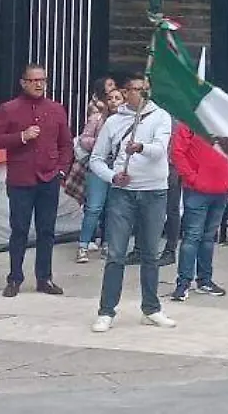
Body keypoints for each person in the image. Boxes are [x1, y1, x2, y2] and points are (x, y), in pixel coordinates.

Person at [88, 74, 176, 332]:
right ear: (126, 93)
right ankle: (106, 311)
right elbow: (96, 159)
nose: (143, 94)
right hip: (123, 193)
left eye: (146, 89)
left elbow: (159, 149)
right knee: (116, 253)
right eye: (137, 89)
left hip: (154, 191)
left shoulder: (160, 117)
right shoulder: (114, 121)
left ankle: (151, 308)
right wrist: (113, 176)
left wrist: (139, 148)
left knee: (150, 253)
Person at [0, 64, 73, 297]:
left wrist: (61, 170)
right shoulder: (9, 109)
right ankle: (15, 278)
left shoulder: (56, 109)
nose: (39, 84)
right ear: (23, 83)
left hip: (49, 178)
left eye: (43, 80)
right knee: (19, 230)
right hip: (21, 179)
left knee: (46, 230)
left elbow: (66, 144)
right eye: (34, 80)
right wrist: (21, 136)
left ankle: (44, 278)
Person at [169, 123, 228, 301]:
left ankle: (203, 280)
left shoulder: (222, 120)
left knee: (206, 238)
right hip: (198, 190)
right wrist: (192, 178)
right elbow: (177, 153)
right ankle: (185, 283)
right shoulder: (189, 122)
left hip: (219, 189)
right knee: (193, 236)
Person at [74, 87, 125, 263]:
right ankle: (83, 245)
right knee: (94, 207)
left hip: (118, 167)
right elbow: (84, 139)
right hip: (99, 165)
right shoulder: (97, 119)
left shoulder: (128, 121)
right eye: (110, 98)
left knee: (113, 208)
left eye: (117, 98)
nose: (113, 101)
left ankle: (108, 244)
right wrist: (101, 143)